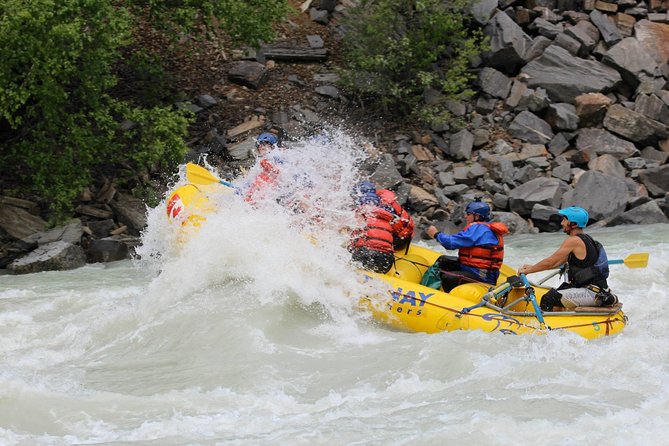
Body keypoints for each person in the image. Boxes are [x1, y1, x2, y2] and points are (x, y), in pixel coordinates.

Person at [518, 206, 617, 311]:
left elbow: (550, 262)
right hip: (597, 290)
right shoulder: (586, 238)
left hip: (592, 293)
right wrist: (533, 267)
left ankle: (545, 327)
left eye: (564, 220)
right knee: (558, 293)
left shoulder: (574, 241)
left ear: (572, 223)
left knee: (548, 298)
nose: (561, 223)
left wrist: (529, 271)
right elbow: (559, 261)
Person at [425, 199, 509, 292]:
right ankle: (429, 289)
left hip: (481, 275)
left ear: (477, 216)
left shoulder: (478, 229)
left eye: (468, 214)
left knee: (448, 278)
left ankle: (444, 298)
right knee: (443, 261)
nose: (465, 216)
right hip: (475, 269)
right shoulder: (485, 227)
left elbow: (450, 243)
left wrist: (436, 234)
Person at [349, 182, 395, 274]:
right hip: (386, 261)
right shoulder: (387, 218)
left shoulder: (360, 214)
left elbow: (351, 240)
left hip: (366, 256)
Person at [245, 132, 282, 204]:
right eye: (260, 144)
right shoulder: (260, 162)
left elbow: (277, 171)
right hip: (266, 190)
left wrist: (268, 166)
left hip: (277, 190)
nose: (262, 146)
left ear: (272, 146)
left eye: (265, 144)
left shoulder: (276, 156)